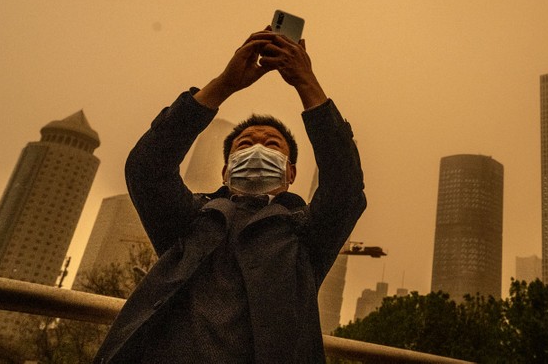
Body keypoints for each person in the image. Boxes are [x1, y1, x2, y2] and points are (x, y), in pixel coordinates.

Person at [94, 29, 366, 364]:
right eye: (245, 144)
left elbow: (346, 189)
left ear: (290, 173)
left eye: (271, 145)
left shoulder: (305, 237)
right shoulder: (190, 220)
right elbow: (147, 168)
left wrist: (305, 81)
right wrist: (225, 83)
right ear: (225, 171)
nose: (256, 150)